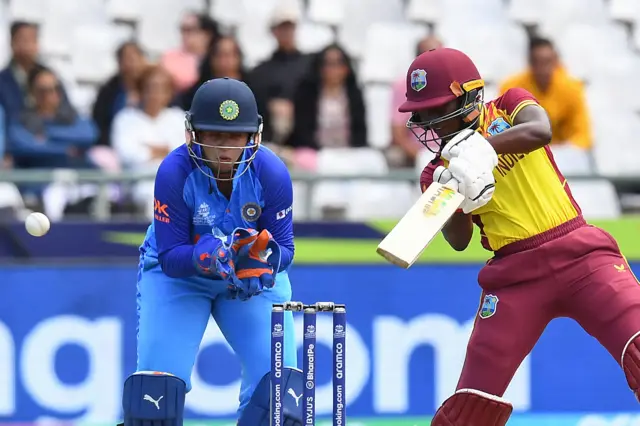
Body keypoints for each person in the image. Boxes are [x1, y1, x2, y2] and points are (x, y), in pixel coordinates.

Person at [399, 48, 640, 425]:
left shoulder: (509, 106)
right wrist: (455, 194)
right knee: (468, 409)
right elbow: (459, 240)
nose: (430, 123)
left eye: (436, 109)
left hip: (583, 257)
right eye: (423, 113)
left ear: (468, 96)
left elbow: (540, 130)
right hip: (513, 281)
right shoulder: (436, 173)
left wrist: (482, 151)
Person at [120, 78, 303, 426]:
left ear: (253, 137)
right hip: (180, 279)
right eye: (214, 135)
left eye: (234, 137)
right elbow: (171, 257)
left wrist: (263, 262)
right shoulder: (174, 171)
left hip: (247, 283)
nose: (224, 149)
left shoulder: (273, 173)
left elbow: (286, 250)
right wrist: (209, 257)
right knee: (154, 403)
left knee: (282, 400)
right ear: (192, 134)